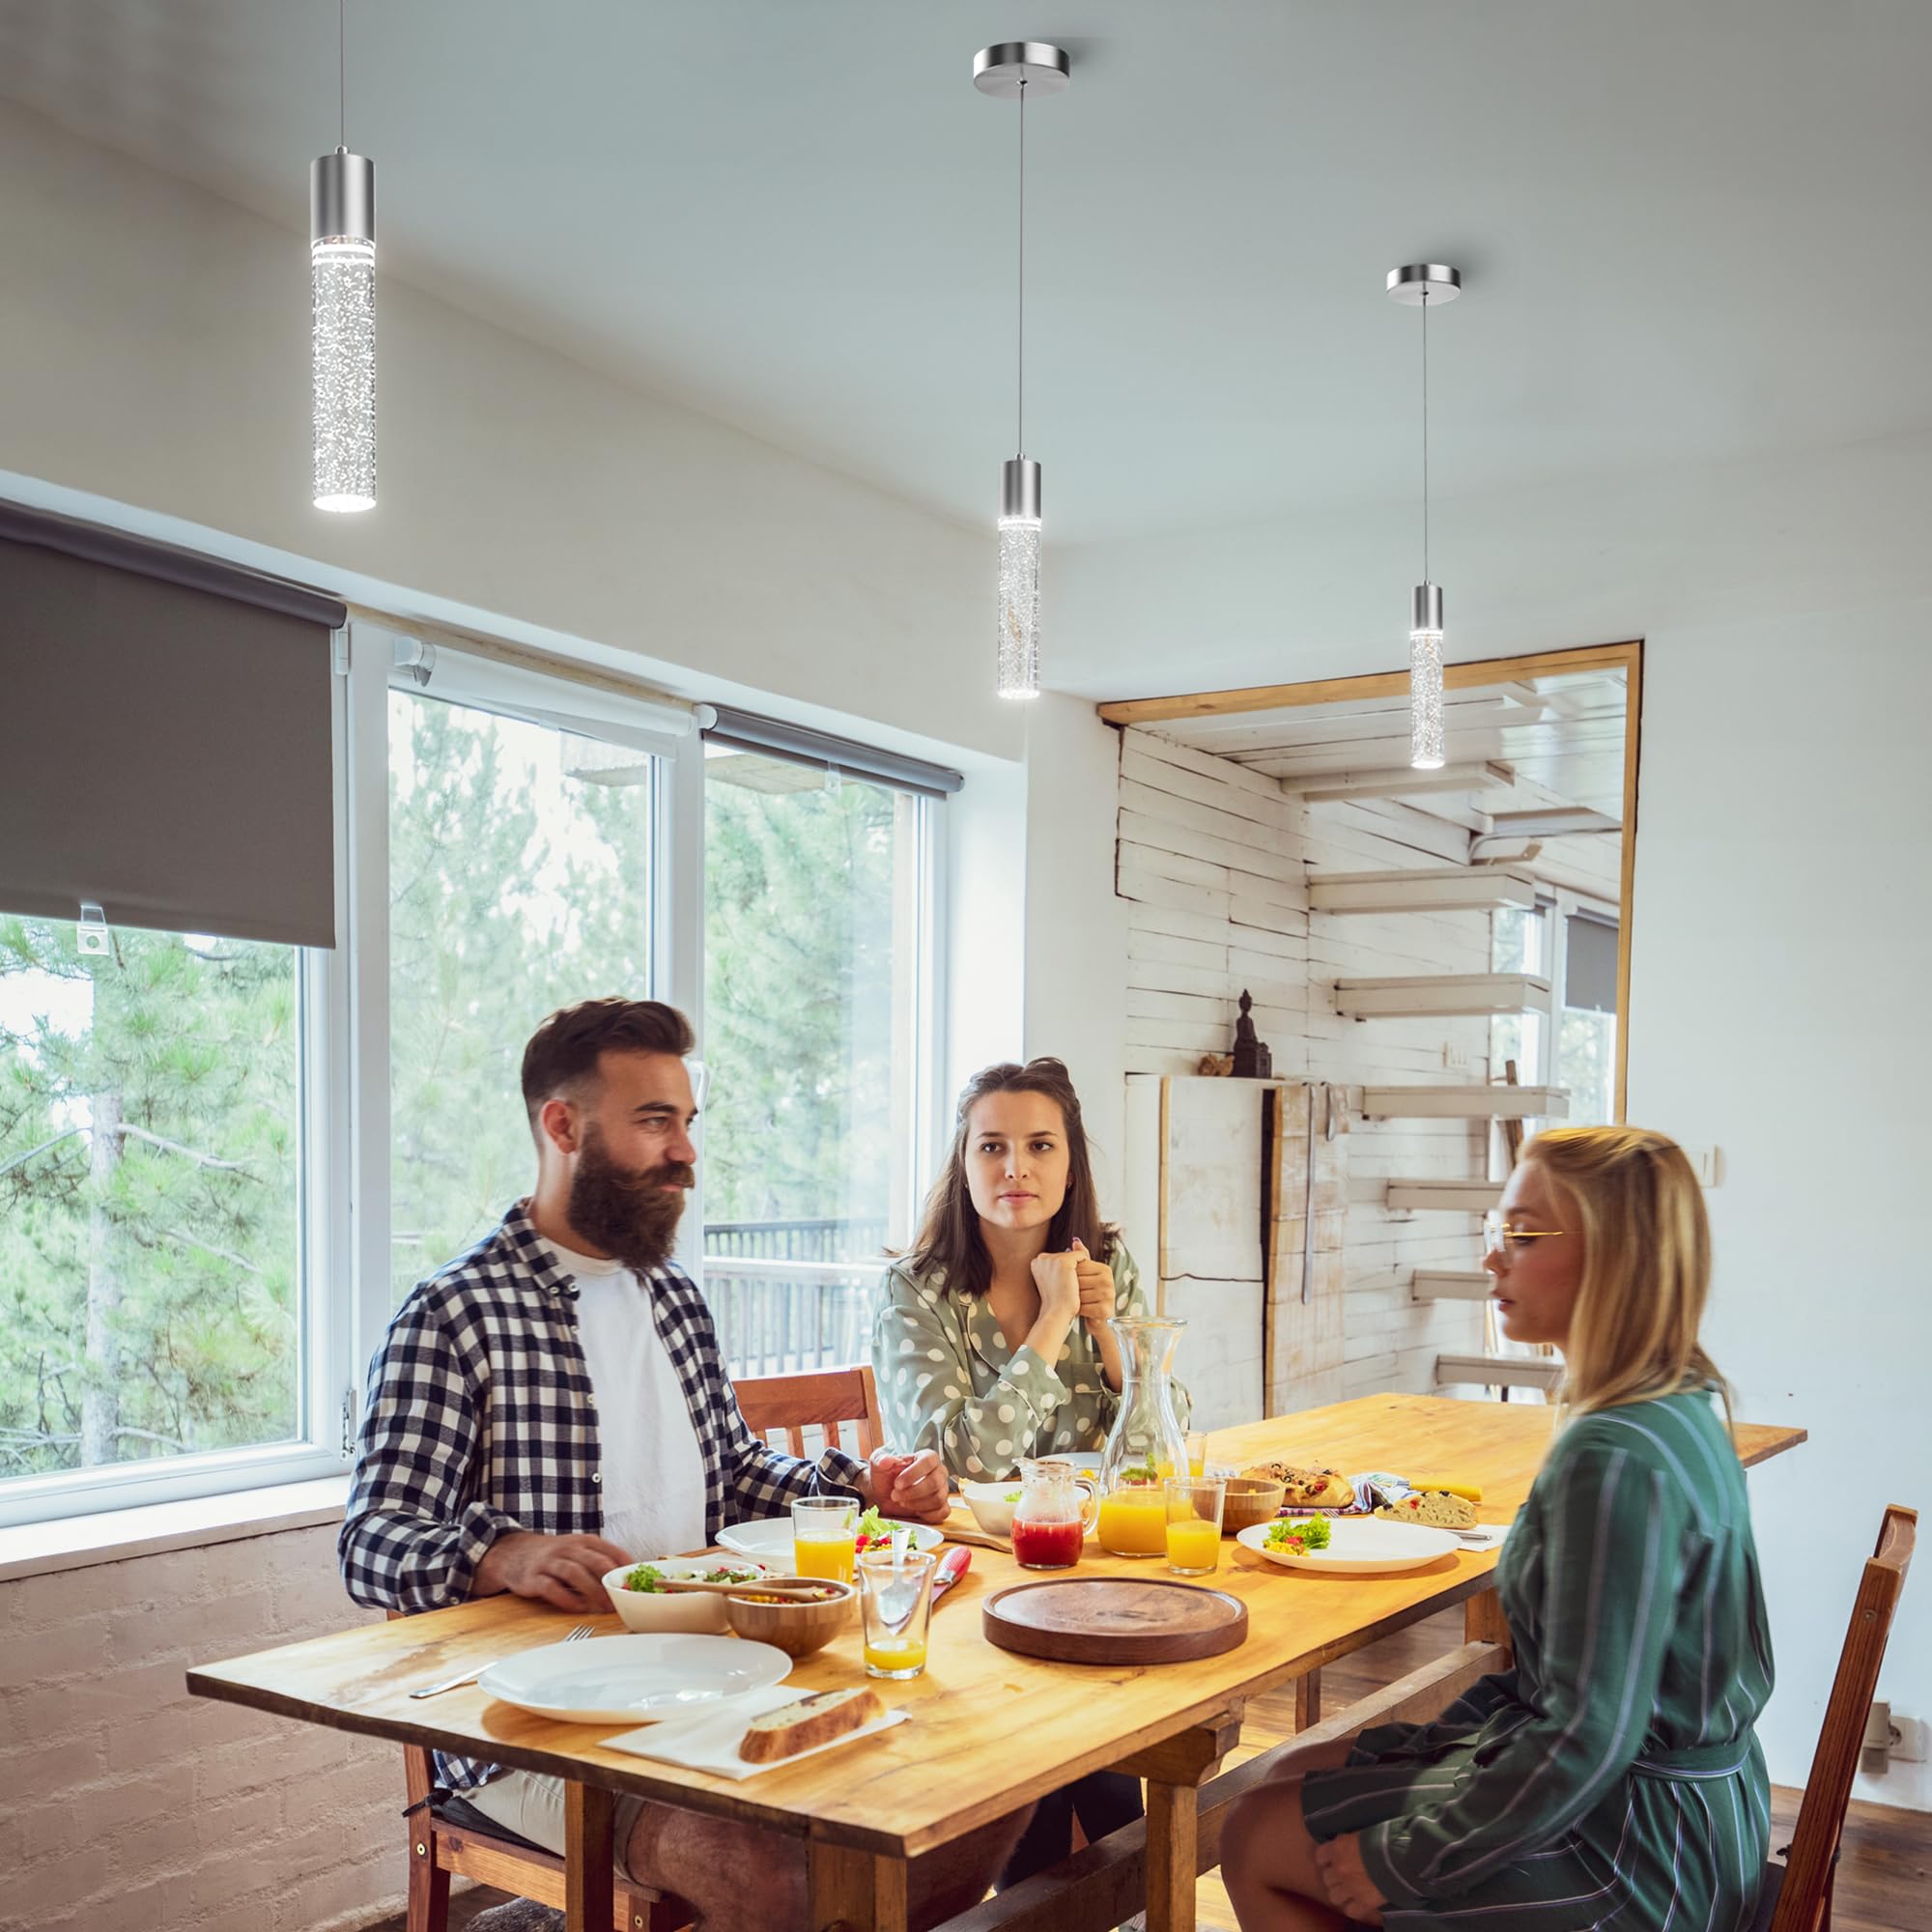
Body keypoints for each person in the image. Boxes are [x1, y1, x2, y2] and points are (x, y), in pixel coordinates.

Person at [341, 997, 1028, 1930]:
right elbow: (371, 1542)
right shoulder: (453, 1315)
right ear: (562, 1125)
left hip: (717, 1676)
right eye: (654, 1122)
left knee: (986, 1782)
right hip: (540, 1732)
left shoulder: (674, 1298)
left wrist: (855, 1486)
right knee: (782, 1878)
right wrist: (501, 1555)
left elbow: (734, 1475)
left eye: (688, 1123)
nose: (686, 1154)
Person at [1221, 1124, 1774, 1932]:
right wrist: (1421, 1746)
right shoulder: (1674, 1402)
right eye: (1499, 1232)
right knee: (1290, 1770)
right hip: (1693, 1808)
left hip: (1641, 1849)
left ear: (1615, 1256)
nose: (1493, 1258)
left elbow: (1589, 1735)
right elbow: (1558, 1696)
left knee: (1253, 1838)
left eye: (1523, 1234)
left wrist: (1402, 1859)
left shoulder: (1613, 1457)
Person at [873, 1056, 1187, 1897]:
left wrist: (1106, 1327)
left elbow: (1166, 1441)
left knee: (1107, 1760)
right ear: (964, 1163)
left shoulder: (1107, 1264)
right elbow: (960, 1459)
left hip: (1097, 1574)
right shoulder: (916, 1289)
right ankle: (1098, 1893)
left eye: (1040, 1145)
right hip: (969, 1585)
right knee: (1070, 1766)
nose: (1016, 1168)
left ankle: (1109, 1893)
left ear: (1070, 1162)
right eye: (993, 1147)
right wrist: (1051, 1323)